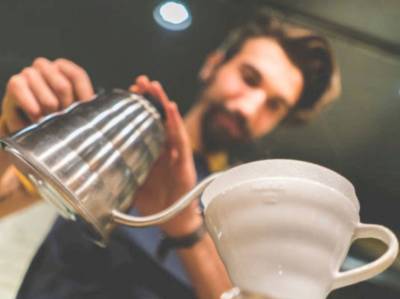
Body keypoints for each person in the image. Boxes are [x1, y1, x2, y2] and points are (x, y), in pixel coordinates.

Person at [0, 14, 340, 299]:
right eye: (249, 79)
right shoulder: (124, 138)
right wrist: (9, 130)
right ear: (214, 65)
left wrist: (184, 227)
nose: (248, 108)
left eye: (274, 105)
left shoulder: (254, 210)